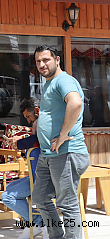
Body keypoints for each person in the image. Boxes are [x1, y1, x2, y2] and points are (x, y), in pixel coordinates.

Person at [32, 45, 89, 239]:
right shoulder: (50, 83)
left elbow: (76, 103)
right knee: (40, 199)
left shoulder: (63, 80)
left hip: (66, 152)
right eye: (38, 61)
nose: (42, 64)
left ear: (57, 60)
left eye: (46, 60)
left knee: (67, 204)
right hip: (49, 154)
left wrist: (63, 134)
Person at [2, 97, 49, 239]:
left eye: (28, 116)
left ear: (37, 111)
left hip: (45, 179)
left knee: (8, 197)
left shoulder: (44, 123)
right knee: (10, 188)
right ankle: (37, 223)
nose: (28, 121)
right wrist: (19, 142)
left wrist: (20, 143)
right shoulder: (40, 123)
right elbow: (35, 142)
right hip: (39, 175)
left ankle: (40, 223)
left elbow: (36, 140)